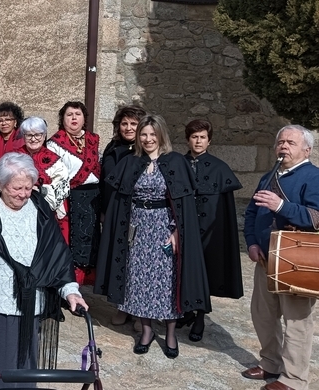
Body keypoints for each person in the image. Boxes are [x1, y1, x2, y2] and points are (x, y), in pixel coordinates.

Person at [0, 152, 87, 389]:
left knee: (24, 373)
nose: (23, 194)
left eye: (28, 187)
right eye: (16, 188)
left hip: (30, 306)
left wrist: (70, 290)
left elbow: (56, 255)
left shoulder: (40, 208)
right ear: (0, 184)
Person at [96, 115, 210, 359]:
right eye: (144, 134)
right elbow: (121, 200)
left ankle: (169, 334)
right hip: (136, 230)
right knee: (138, 281)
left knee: (167, 282)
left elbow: (182, 204)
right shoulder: (131, 162)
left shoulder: (176, 162)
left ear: (161, 135)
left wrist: (177, 232)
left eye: (152, 134)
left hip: (163, 229)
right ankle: (146, 331)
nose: (148, 139)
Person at [243, 125, 319, 390]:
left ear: (306, 150)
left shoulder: (314, 177)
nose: (283, 146)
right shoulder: (269, 176)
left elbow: (317, 217)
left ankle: (294, 379)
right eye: (280, 142)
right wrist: (252, 243)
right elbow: (252, 213)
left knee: (297, 321)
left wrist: (281, 206)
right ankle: (270, 363)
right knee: (263, 315)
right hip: (265, 258)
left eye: (291, 143)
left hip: (295, 260)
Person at [179, 119, 243, 342]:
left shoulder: (220, 168)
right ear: (188, 139)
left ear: (209, 140)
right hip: (184, 229)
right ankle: (186, 310)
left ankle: (199, 318)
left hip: (210, 231)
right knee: (182, 270)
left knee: (206, 272)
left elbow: (224, 209)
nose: (198, 141)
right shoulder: (178, 163)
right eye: (194, 137)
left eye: (202, 137)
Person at [101, 105, 146, 330]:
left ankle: (139, 312)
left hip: (137, 214)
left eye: (133, 124)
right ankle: (122, 306)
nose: (128, 128)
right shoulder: (112, 147)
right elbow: (104, 180)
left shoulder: (145, 151)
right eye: (124, 123)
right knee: (119, 260)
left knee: (137, 263)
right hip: (113, 211)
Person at [46, 101, 100, 285]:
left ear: (84, 118)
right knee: (70, 240)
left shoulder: (92, 140)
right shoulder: (55, 144)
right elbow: (54, 175)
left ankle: (87, 282)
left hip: (93, 197)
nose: (74, 118)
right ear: (63, 119)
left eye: (78, 114)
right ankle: (69, 282)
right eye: (69, 115)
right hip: (69, 199)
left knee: (91, 239)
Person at [15, 116, 69, 221]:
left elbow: (62, 188)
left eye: (38, 134)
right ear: (23, 136)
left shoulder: (56, 161)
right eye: (29, 135)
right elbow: (0, 182)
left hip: (44, 215)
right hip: (17, 212)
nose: (33, 139)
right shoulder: (13, 157)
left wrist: (41, 190)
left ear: (44, 136)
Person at [0, 102, 25, 182]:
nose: (4, 123)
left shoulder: (23, 142)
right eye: (0, 121)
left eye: (8, 119)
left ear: (15, 122)